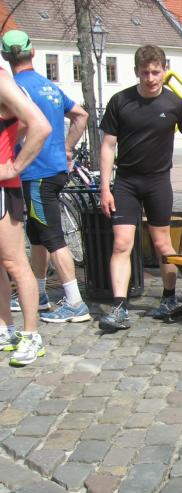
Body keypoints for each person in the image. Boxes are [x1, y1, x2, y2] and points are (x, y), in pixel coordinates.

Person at [98, 45, 182, 332]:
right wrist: (105, 188)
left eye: (156, 72)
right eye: (145, 73)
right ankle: (119, 308)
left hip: (157, 182)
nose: (150, 78)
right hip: (127, 182)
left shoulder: (174, 104)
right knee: (121, 243)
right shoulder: (120, 101)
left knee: (162, 244)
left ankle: (169, 297)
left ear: (164, 70)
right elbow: (107, 146)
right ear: (136, 72)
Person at [2, 30, 90, 324]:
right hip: (54, 169)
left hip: (36, 173)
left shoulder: (14, 88)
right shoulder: (48, 85)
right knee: (37, 235)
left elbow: (26, 126)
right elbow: (81, 116)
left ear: (5, 56)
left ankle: (75, 303)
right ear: (34, 53)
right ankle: (38, 294)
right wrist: (67, 149)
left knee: (52, 237)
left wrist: (14, 159)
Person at [0, 37, 52, 365]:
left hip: (4, 190)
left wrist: (13, 166)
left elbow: (40, 126)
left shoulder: (2, 81)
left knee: (14, 262)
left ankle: (32, 335)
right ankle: (5, 328)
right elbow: (16, 127)